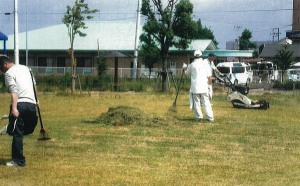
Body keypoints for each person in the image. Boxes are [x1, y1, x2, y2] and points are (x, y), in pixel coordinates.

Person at [0, 55, 39, 167]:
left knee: (18, 133)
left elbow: (14, 91)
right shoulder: (26, 68)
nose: (2, 71)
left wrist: (14, 108)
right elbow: (34, 85)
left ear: (5, 64)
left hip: (20, 104)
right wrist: (37, 101)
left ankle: (18, 161)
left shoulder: (8, 73)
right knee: (25, 130)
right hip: (31, 105)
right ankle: (10, 127)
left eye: (1, 68)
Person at [183, 50, 214, 121]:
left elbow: (186, 73)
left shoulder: (192, 65)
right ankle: (210, 117)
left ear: (194, 56)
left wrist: (184, 67)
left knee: (196, 102)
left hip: (195, 87)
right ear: (201, 56)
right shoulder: (205, 64)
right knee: (206, 102)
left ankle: (199, 117)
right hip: (204, 87)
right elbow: (209, 77)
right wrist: (210, 86)